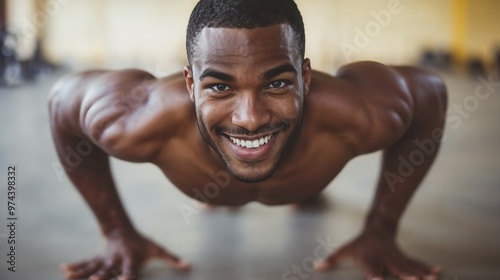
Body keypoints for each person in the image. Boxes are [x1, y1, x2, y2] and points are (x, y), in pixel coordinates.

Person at [48, 0, 447, 279]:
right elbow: (62, 104)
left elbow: (431, 94)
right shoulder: (136, 120)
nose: (250, 117)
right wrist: (116, 231)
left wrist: (382, 228)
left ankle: (300, 192)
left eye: (277, 82)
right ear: (190, 83)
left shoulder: (359, 113)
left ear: (305, 78)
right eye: (220, 87)